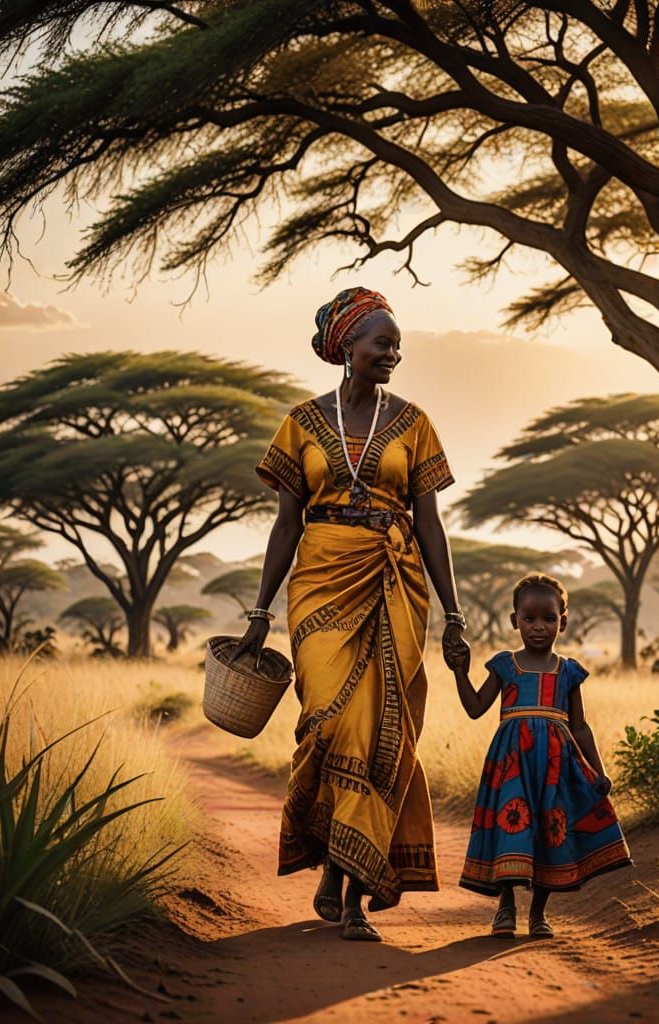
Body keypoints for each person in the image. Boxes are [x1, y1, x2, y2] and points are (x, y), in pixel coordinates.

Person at [234, 286, 470, 942]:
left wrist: (453, 614)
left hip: (396, 582)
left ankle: (351, 886)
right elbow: (285, 524)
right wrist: (258, 609)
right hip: (320, 580)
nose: (394, 353)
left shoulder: (414, 422)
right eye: (382, 343)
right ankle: (334, 866)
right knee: (330, 722)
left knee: (381, 734)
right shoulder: (303, 422)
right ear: (347, 348)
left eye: (397, 345)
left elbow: (430, 522)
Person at [449, 573, 632, 938]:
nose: (538, 627)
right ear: (514, 620)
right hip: (512, 764)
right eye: (529, 618)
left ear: (562, 622)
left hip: (555, 768)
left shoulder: (569, 672)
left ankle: (538, 914)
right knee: (511, 829)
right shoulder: (504, 666)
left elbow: (580, 728)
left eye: (548, 619)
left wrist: (599, 771)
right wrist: (459, 671)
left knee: (551, 834)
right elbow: (474, 708)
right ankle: (505, 907)